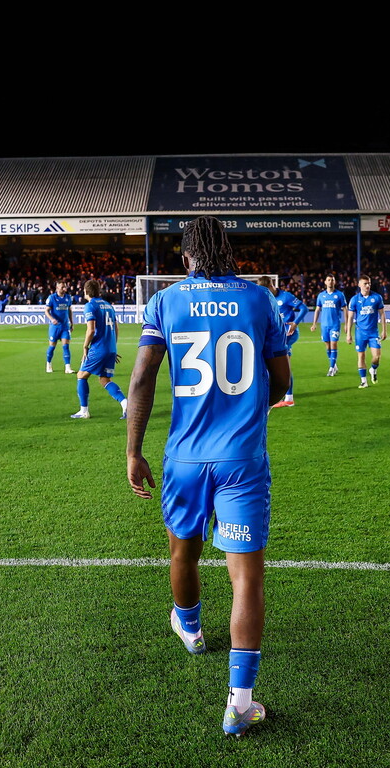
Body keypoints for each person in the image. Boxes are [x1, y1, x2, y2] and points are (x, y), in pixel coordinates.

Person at [125, 215, 291, 738]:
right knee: (246, 578)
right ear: (230, 251)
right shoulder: (260, 299)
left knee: (183, 553)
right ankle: (240, 703)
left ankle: (192, 628)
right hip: (241, 459)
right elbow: (282, 380)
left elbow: (142, 377)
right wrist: (250, 407)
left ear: (186, 258)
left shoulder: (165, 301)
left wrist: (133, 451)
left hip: (185, 458)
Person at [71, 279, 127, 419]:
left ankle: (84, 411)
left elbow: (91, 330)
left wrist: (85, 347)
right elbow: (116, 328)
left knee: (81, 375)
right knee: (104, 380)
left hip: (98, 348)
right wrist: (112, 347)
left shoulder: (90, 306)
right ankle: (125, 404)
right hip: (110, 348)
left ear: (86, 291)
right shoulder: (108, 305)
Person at [257, 277, 306, 407]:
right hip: (275, 336)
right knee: (271, 364)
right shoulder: (264, 298)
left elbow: (304, 308)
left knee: (282, 364)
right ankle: (279, 396)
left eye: (266, 290)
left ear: (271, 286)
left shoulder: (286, 296)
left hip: (288, 334)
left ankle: (288, 398)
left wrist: (295, 323)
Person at [345, 275, 387, 388]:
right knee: (361, 356)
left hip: (373, 332)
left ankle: (373, 369)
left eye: (369, 283)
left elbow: (382, 314)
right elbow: (350, 318)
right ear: (359, 285)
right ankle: (363, 381)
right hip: (360, 333)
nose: (367, 285)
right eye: (365, 283)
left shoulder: (377, 297)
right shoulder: (354, 299)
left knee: (377, 357)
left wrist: (384, 330)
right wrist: (348, 334)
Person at [310, 274, 348, 376]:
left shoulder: (339, 295)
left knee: (333, 344)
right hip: (324, 325)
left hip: (335, 324)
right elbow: (317, 309)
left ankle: (331, 368)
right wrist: (314, 323)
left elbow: (345, 309)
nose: (330, 281)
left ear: (334, 282)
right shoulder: (321, 295)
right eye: (329, 280)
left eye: (332, 280)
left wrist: (346, 324)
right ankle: (334, 364)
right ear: (325, 282)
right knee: (327, 346)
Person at [44, 280, 75, 374]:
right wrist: (52, 319)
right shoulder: (52, 298)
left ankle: (67, 367)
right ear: (57, 288)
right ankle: (48, 364)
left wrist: (72, 323)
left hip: (65, 326)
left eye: (65, 287)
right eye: (62, 287)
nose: (64, 289)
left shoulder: (68, 297)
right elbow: (46, 311)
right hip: (55, 327)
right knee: (52, 346)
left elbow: (69, 310)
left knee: (66, 346)